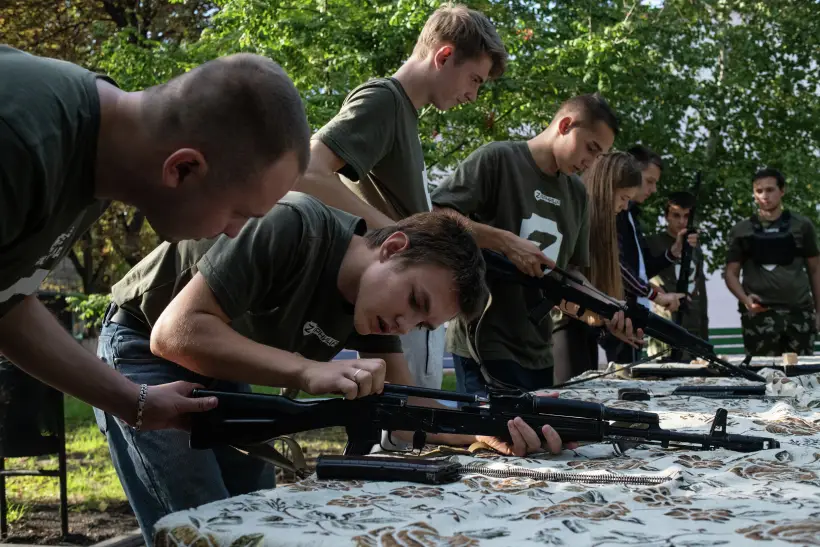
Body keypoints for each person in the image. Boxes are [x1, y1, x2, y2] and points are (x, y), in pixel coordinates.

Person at [95, 192, 572, 544]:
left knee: (253, 520)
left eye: (422, 322)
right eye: (414, 300)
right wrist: (306, 371)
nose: (405, 323)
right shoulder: (292, 224)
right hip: (143, 347)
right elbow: (174, 333)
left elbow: (409, 412)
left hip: (219, 363)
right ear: (392, 248)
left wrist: (494, 429)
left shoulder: (376, 303)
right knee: (199, 520)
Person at [0, 46, 311, 431]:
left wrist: (134, 401)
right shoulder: (20, 143)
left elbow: (7, 302)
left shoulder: (96, 158)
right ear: (182, 169)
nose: (235, 232)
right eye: (240, 213)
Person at [295, 3, 508, 391]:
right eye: (475, 79)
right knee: (385, 435)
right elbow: (307, 171)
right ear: (444, 55)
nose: (473, 95)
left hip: (405, 310)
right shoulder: (384, 99)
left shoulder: (407, 117)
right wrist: (394, 233)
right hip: (395, 299)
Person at [431, 93, 641, 395]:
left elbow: (569, 276)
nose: (590, 162)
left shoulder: (578, 195)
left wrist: (609, 311)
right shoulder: (497, 159)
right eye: (590, 148)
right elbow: (438, 216)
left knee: (538, 441)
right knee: (487, 441)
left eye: (599, 156)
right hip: (483, 344)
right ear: (565, 124)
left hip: (539, 350)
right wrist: (504, 241)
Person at [552, 152, 644, 383]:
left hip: (581, 327)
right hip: (562, 326)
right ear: (607, 188)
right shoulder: (578, 215)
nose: (624, 207)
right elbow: (568, 275)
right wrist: (611, 307)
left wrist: (607, 316)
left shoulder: (600, 223)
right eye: (623, 198)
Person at [604, 145, 692, 364]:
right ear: (630, 172)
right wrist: (656, 295)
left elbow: (640, 271)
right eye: (650, 181)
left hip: (634, 314)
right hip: (617, 316)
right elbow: (616, 265)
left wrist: (673, 253)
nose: (653, 190)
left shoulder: (631, 214)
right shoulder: (616, 212)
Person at [725, 168, 820, 356]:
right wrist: (745, 300)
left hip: (799, 314)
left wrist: (819, 312)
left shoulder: (801, 226)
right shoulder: (741, 231)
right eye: (759, 191)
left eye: (770, 190)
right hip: (759, 317)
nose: (764, 196)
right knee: (763, 377)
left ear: (782, 191)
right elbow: (730, 274)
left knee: (802, 378)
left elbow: (815, 270)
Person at [646, 191, 709, 361]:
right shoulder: (653, 243)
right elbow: (641, 277)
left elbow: (699, 285)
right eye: (676, 215)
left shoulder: (696, 246)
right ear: (666, 216)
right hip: (665, 323)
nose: (681, 221)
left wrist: (704, 326)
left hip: (693, 325)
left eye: (686, 216)